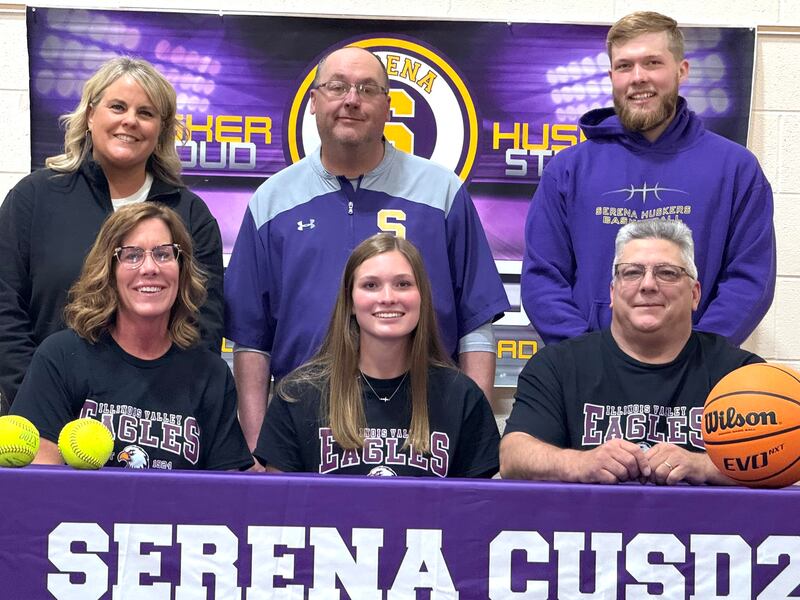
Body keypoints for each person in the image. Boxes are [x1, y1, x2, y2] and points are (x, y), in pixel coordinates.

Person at [225, 46, 509, 449]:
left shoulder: (442, 192)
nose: (351, 100)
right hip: (303, 426)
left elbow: (475, 326)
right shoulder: (272, 200)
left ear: (388, 106)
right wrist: (256, 445)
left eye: (367, 89)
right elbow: (251, 339)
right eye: (337, 86)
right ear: (313, 102)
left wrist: (472, 435)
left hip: (423, 426)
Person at [521, 11, 775, 346]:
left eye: (653, 63)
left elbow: (749, 279)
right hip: (590, 375)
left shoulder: (736, 168)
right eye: (625, 66)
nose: (638, 77)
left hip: (696, 378)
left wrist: (698, 357)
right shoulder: (568, 170)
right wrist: (585, 357)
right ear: (612, 76)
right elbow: (543, 277)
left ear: (681, 71)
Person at [0, 56, 223, 409]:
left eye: (146, 113)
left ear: (161, 130)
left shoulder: (191, 215)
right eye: (117, 106)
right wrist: (39, 398)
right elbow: (4, 308)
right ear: (90, 115)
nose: (130, 121)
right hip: (44, 415)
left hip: (157, 424)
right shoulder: (34, 198)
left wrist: (169, 411)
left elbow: (204, 325)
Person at [501, 219, 763, 485]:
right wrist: (581, 463)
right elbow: (513, 455)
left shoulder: (740, 374)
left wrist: (702, 465)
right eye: (632, 272)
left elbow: (780, 458)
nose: (648, 284)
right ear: (613, 293)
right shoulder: (557, 366)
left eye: (668, 273)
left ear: (695, 294)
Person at [10, 203, 252, 471]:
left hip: (179, 514)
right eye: (132, 255)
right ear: (109, 271)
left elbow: (225, 495)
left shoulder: (211, 374)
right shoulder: (61, 357)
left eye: (163, 254)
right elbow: (41, 483)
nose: (150, 268)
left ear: (181, 269)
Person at [254, 233, 500, 477]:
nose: (388, 298)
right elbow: (278, 510)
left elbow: (478, 509)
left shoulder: (462, 397)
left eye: (403, 284)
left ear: (421, 297)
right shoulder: (298, 396)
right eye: (370, 285)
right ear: (350, 301)